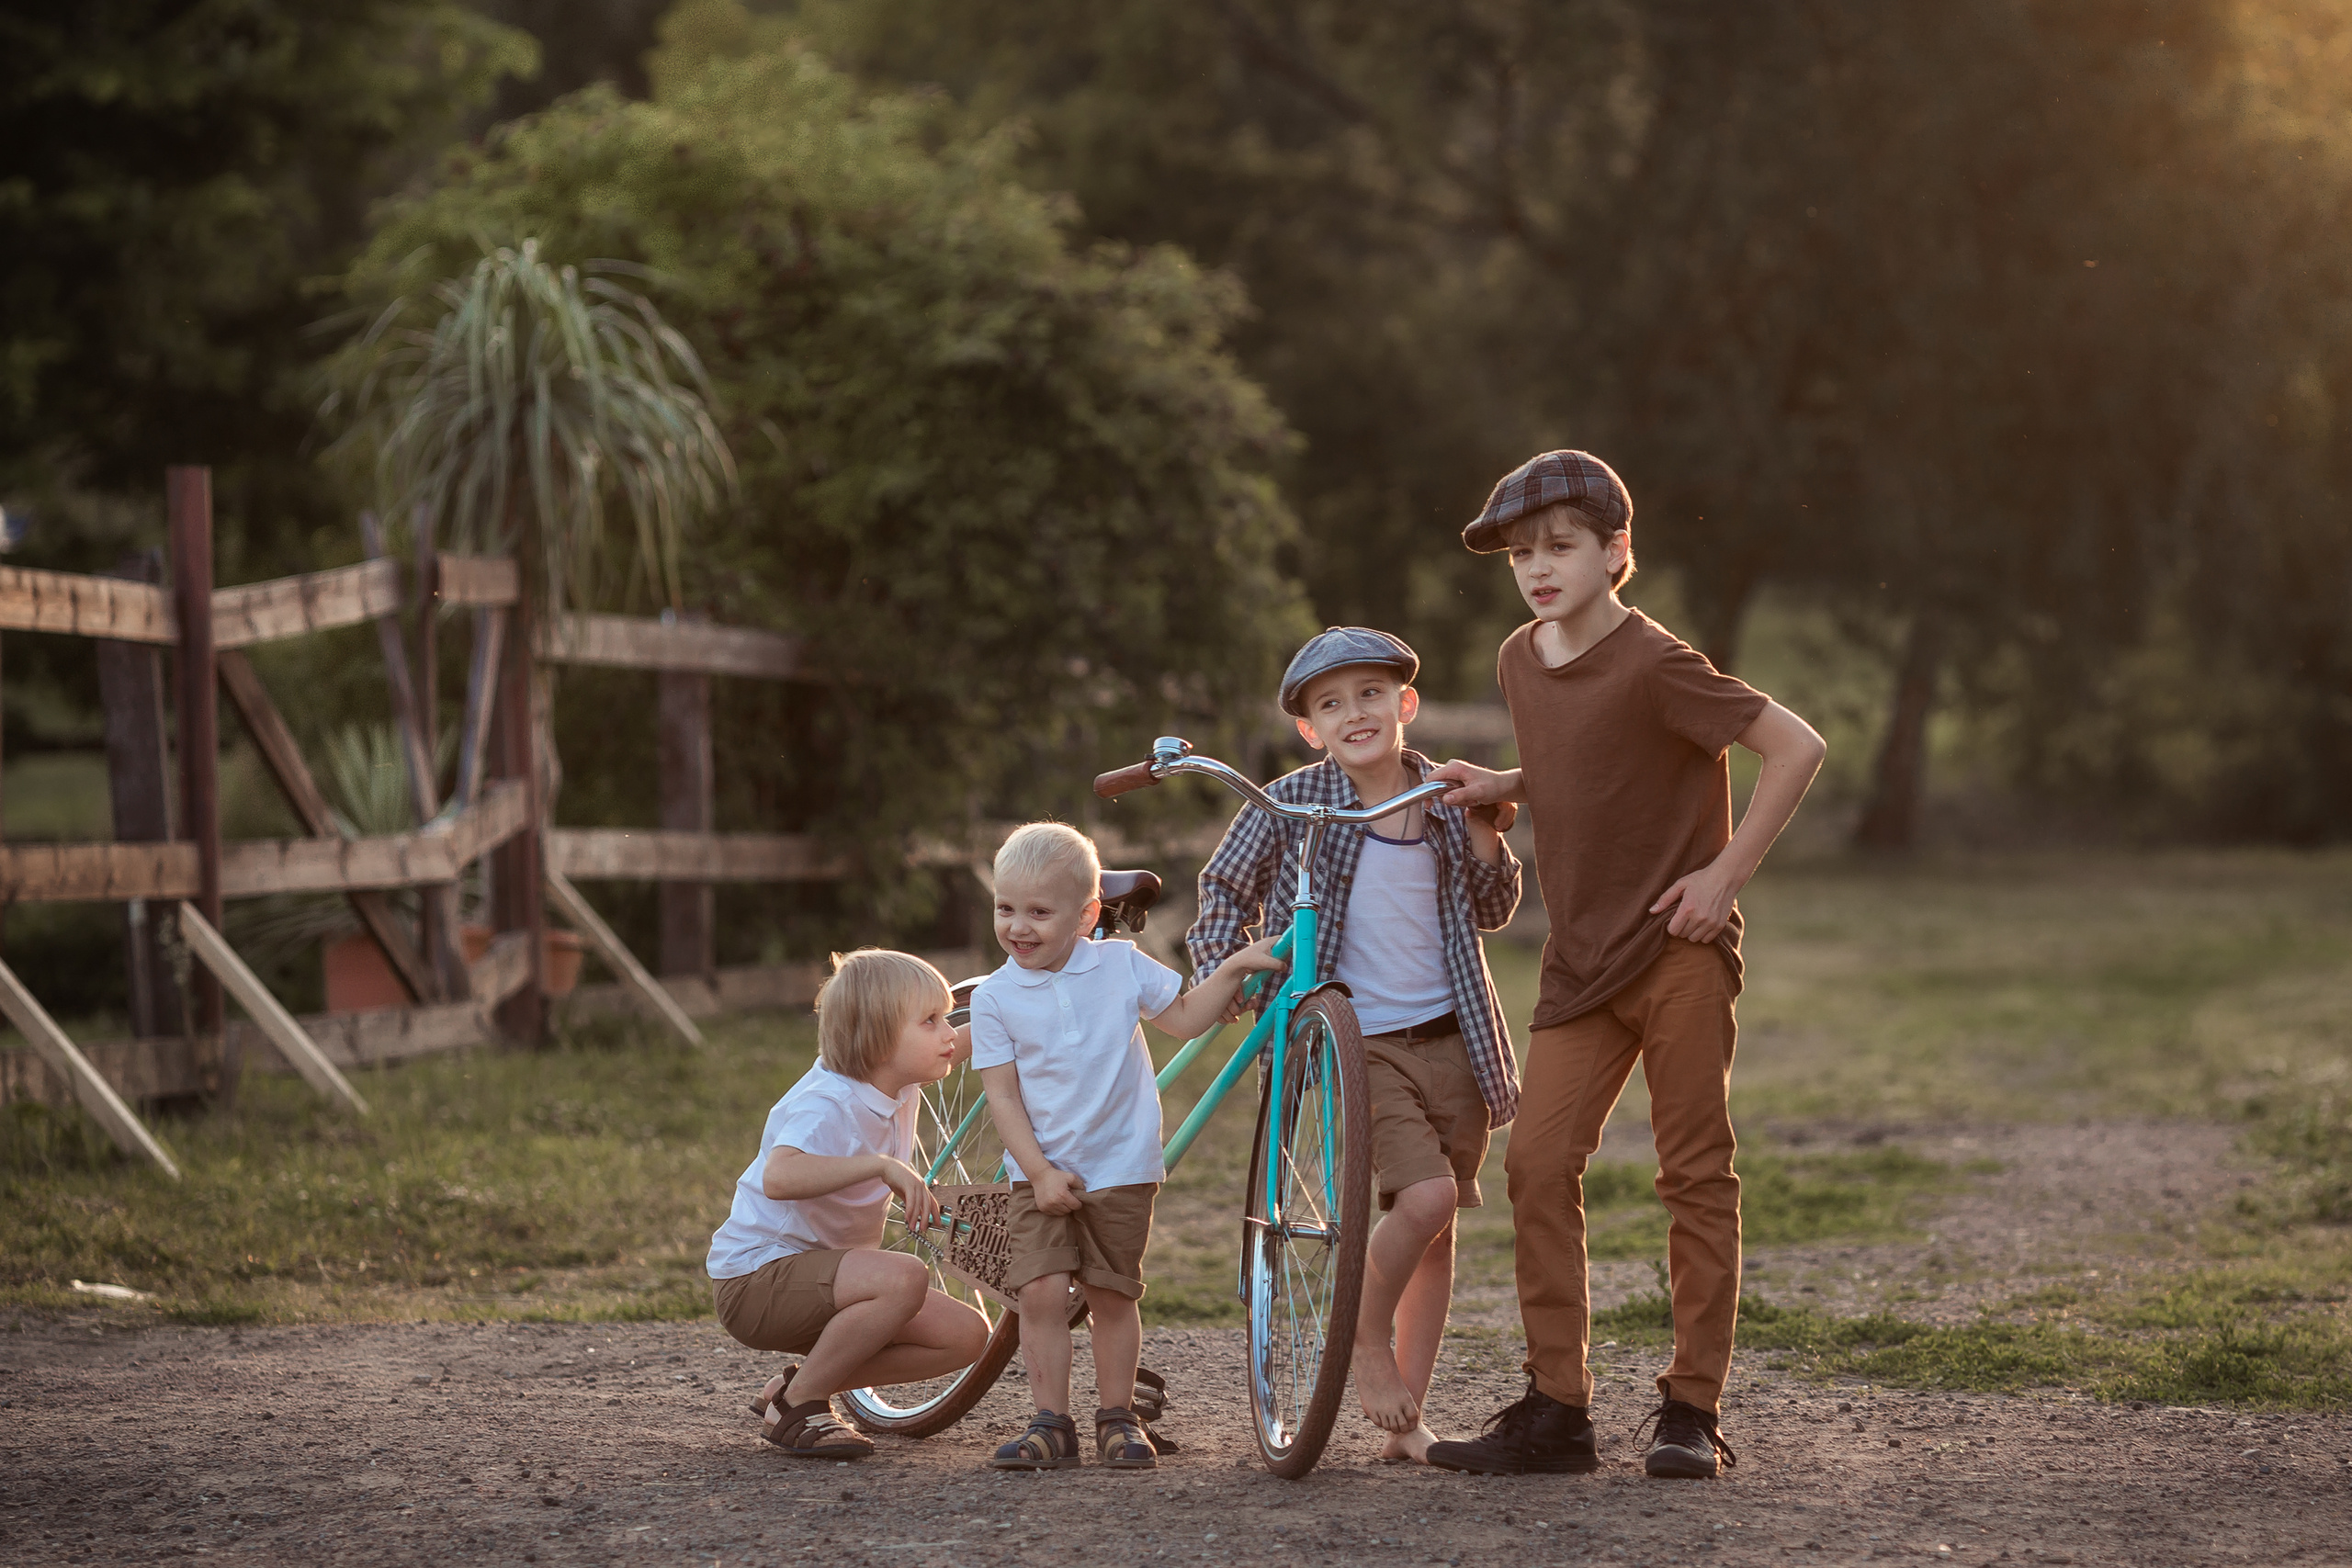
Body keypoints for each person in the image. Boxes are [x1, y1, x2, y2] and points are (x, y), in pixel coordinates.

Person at [1430, 450, 1827, 1481]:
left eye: (1559, 547)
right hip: (1579, 966)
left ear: (1616, 551)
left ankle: (1691, 1409)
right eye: (1520, 554)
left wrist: (1724, 880)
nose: (1536, 568)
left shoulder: (1659, 662)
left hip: (1678, 952)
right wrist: (1506, 777)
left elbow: (1796, 747)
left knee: (1692, 1171)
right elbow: (1587, 756)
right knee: (1532, 1166)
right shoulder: (1522, 657)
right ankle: (1557, 1409)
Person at [1189, 626, 1523, 1464]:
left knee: (1438, 1223)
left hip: (1455, 1038)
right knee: (1426, 1200)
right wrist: (1240, 975)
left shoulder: (1447, 795)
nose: (1355, 714)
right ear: (1311, 729)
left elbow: (1491, 908)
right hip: (1358, 1043)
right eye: (1330, 705)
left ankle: (1407, 1422)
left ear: (1405, 704)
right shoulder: (1295, 803)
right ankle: (1364, 1337)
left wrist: (1487, 830)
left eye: (1371, 694)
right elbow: (1223, 886)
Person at [973, 821, 1283, 1471]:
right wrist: (1038, 1171)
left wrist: (1230, 969)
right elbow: (1002, 1096)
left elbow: (1187, 1019)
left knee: (1113, 1294)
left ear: (1087, 915)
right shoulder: (996, 996)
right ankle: (1049, 1422)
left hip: (1120, 1165)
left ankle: (1118, 1414)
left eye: (1038, 911)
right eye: (1006, 908)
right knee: (1040, 1292)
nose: (1018, 927)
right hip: (1039, 1173)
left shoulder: (1119, 966)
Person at [706, 948, 992, 1459]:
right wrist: (881, 1166)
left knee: (967, 1336)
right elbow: (780, 1175)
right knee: (904, 1275)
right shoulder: (828, 1102)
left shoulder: (899, 1080)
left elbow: (979, 1036)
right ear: (879, 1038)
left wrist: (1035, 993)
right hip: (755, 1281)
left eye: (946, 1017)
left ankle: (796, 1387)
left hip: (827, 1285)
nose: (950, 1032)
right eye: (931, 1021)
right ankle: (800, 1408)